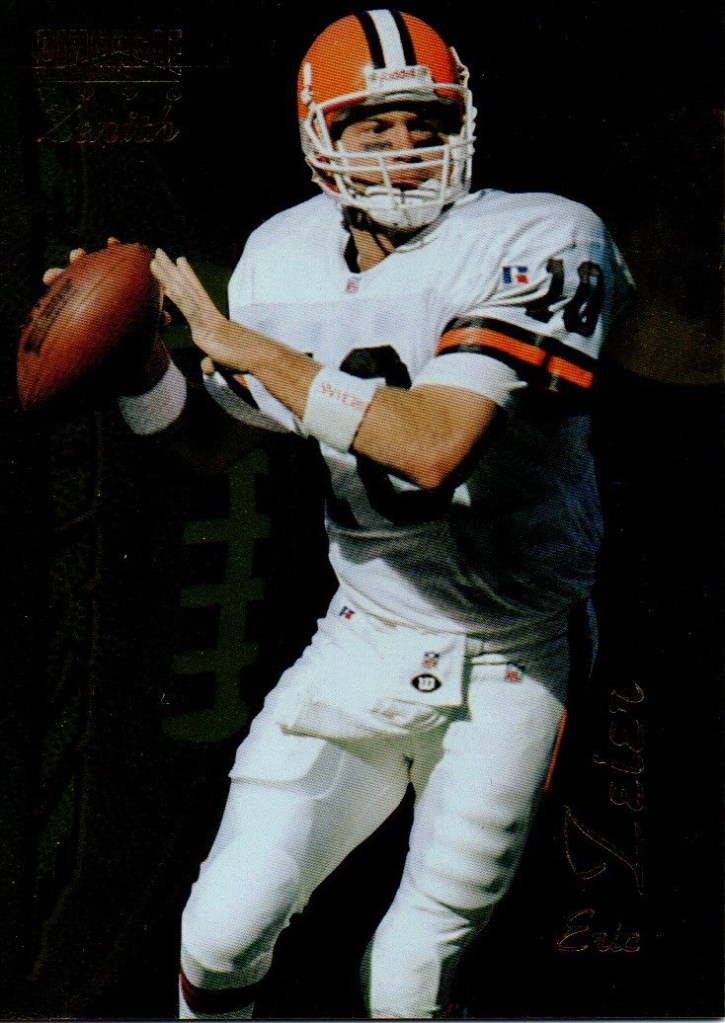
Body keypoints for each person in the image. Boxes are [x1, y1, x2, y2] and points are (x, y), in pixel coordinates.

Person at [69, 9, 635, 1018]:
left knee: (407, 982)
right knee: (222, 929)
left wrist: (256, 351)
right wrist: (135, 363)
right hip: (366, 629)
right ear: (318, 136)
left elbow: (433, 445)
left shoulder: (543, 235)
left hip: (512, 650)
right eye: (374, 126)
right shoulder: (281, 254)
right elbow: (208, 443)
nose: (406, 146)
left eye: (427, 121)